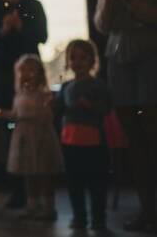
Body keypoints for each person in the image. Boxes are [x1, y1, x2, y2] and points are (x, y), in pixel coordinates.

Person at [91, 0, 157, 233]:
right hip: (118, 61)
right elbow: (102, 27)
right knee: (135, 142)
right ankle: (148, 210)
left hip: (150, 58)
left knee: (153, 135)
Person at [0, 0, 48, 209]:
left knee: (30, 125)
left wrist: (21, 27)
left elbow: (42, 37)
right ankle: (18, 190)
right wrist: (3, 29)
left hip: (30, 74)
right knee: (11, 129)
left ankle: (37, 188)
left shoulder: (34, 6)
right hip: (2, 76)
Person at [0, 54, 62, 222]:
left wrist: (44, 109)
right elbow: (16, 114)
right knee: (29, 173)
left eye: (31, 70)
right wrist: (5, 115)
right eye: (22, 70)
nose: (26, 74)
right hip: (23, 137)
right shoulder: (19, 94)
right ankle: (32, 205)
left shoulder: (43, 94)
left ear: (39, 73)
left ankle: (48, 207)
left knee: (44, 173)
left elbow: (46, 116)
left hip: (40, 136)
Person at [54, 39, 111, 231]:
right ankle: (79, 218)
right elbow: (59, 110)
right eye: (73, 57)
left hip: (94, 142)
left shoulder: (99, 85)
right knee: (74, 183)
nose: (77, 62)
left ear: (92, 60)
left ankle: (99, 220)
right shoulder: (65, 86)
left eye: (82, 57)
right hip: (70, 141)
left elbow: (106, 108)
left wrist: (91, 106)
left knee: (97, 184)